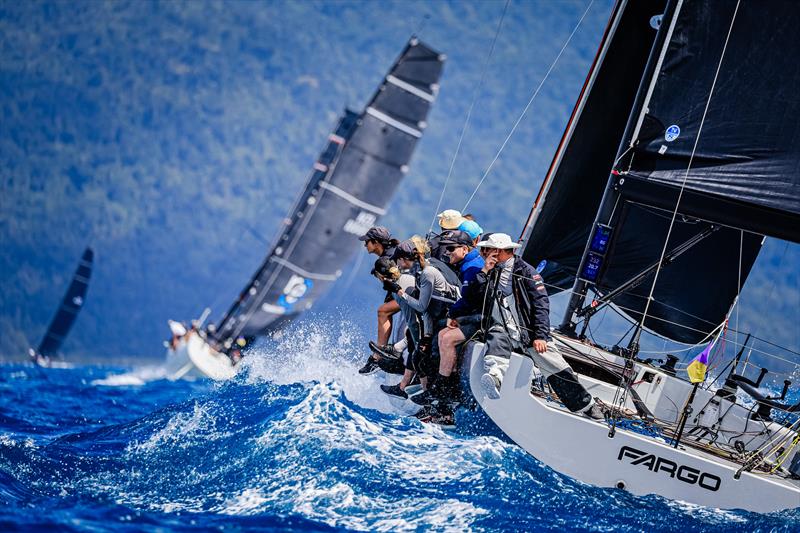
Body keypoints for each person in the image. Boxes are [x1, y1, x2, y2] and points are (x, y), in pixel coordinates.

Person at [473, 233, 603, 419]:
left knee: (553, 363)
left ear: (500, 251)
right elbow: (476, 297)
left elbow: (541, 303)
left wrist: (540, 335)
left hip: (528, 331)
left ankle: (587, 405)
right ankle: (494, 378)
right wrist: (484, 272)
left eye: (488, 249)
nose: (484, 253)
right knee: (497, 337)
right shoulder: (490, 270)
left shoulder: (526, 271)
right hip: (503, 326)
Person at [378, 237, 460, 399]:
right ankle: (415, 391)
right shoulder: (421, 269)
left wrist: (400, 292)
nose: (398, 266)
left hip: (452, 317)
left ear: (403, 259)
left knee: (422, 356)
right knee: (418, 351)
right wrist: (427, 335)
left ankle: (432, 398)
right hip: (440, 315)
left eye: (399, 261)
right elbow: (428, 309)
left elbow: (422, 307)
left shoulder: (427, 273)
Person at [358, 227, 402, 374]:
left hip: (414, 293)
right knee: (384, 308)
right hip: (410, 292)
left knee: (382, 311)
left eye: (367, 242)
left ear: (376, 242)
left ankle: (378, 357)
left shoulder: (389, 258)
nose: (365, 245)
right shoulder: (391, 253)